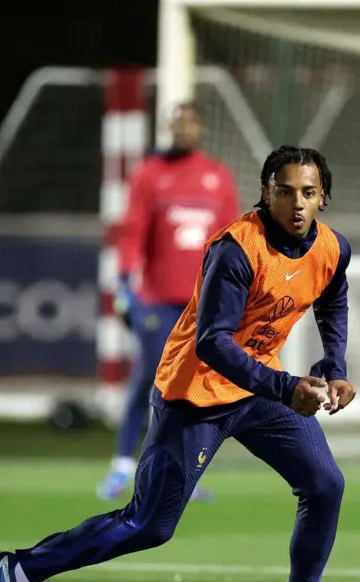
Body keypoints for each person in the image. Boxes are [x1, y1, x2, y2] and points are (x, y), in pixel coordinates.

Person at [0, 146, 356, 582]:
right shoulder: (236, 249)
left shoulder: (333, 248)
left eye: (309, 193)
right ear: (265, 192)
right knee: (148, 525)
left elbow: (333, 296)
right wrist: (285, 386)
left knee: (325, 484)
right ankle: (19, 571)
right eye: (286, 191)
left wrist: (334, 364)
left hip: (259, 390)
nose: (297, 203)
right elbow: (212, 343)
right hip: (195, 393)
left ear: (323, 197)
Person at [98, 102, 239, 503]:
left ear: (200, 129)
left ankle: (179, 472)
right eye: (177, 123)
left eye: (190, 123)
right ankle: (122, 467)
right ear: (168, 128)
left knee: (194, 389)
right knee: (150, 380)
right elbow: (131, 234)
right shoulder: (149, 175)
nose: (183, 130)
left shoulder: (216, 177)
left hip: (202, 304)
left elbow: (231, 240)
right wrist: (125, 285)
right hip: (158, 303)